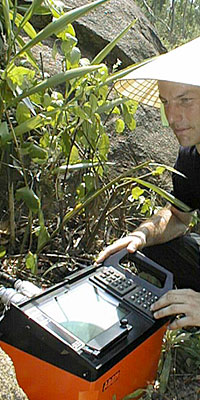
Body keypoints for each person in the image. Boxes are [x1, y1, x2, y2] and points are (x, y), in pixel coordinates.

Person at [96, 79, 200, 330]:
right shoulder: (190, 158)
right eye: (166, 102)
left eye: (185, 100)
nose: (172, 118)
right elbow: (177, 217)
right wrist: (141, 235)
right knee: (154, 249)